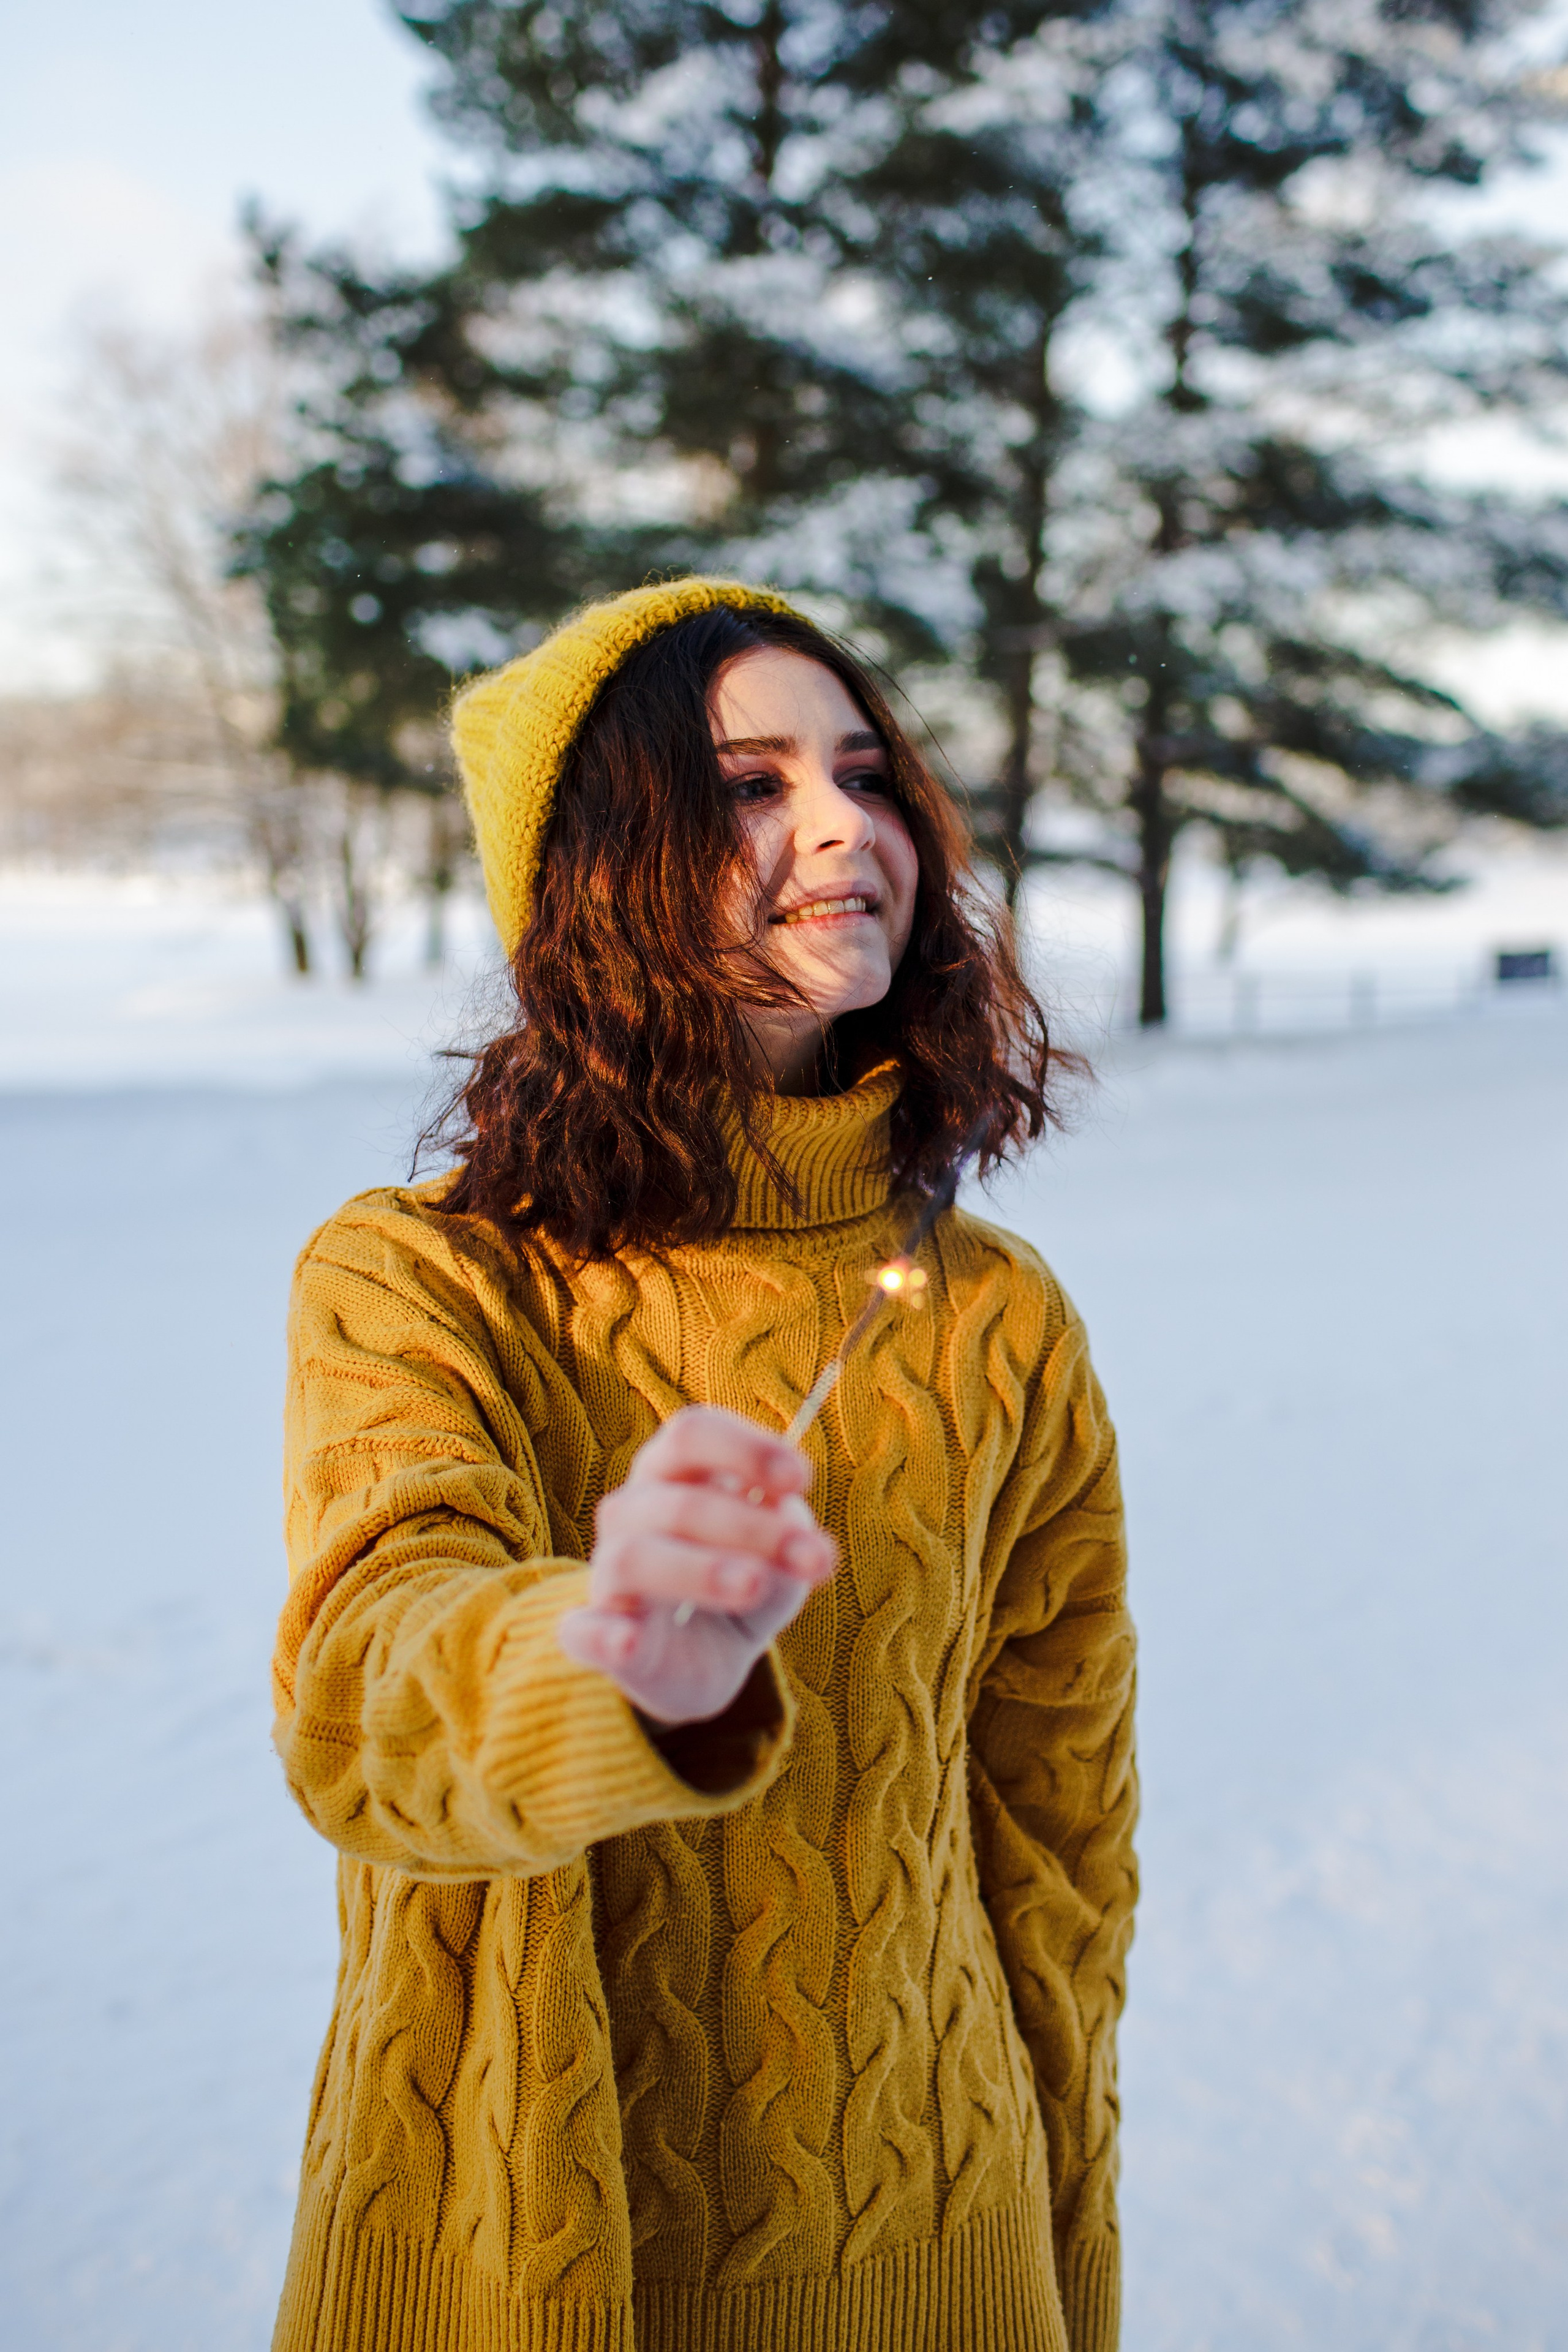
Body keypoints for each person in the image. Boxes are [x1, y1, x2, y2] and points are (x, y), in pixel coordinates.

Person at [270, 577, 1137, 2352]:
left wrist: (1064, 2254)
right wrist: (613, 1654)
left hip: (941, 2253)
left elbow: (1060, 1863)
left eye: (869, 774)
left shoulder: (1001, 1321)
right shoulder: (423, 1280)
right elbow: (366, 1695)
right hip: (526, 2266)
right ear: (603, 866)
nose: (843, 823)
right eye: (752, 786)